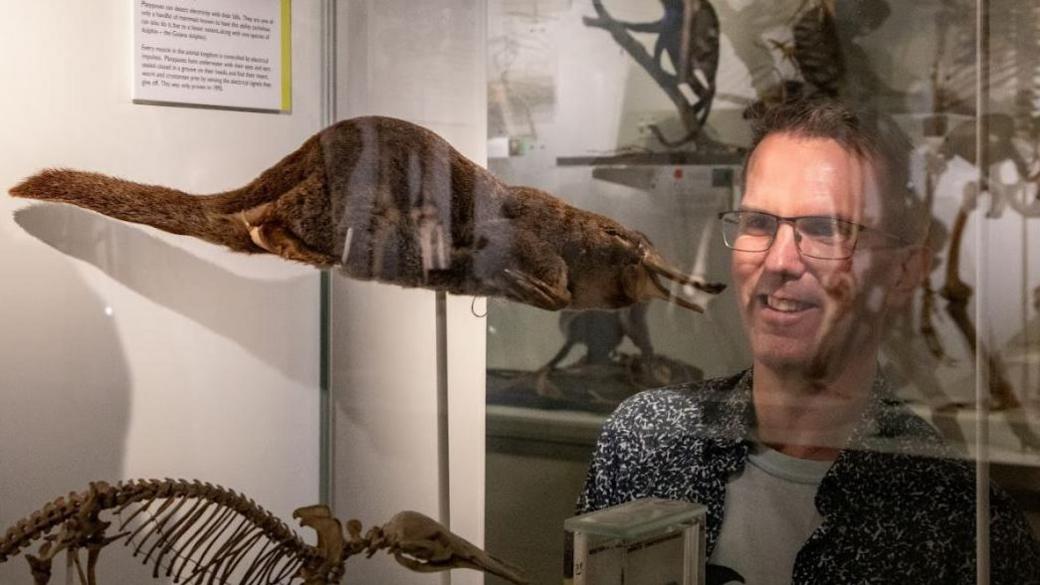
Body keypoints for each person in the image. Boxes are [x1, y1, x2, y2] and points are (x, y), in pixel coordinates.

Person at [577, 98, 1040, 585]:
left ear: (904, 272)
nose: (779, 261)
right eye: (758, 223)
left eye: (824, 230)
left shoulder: (960, 524)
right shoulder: (645, 440)